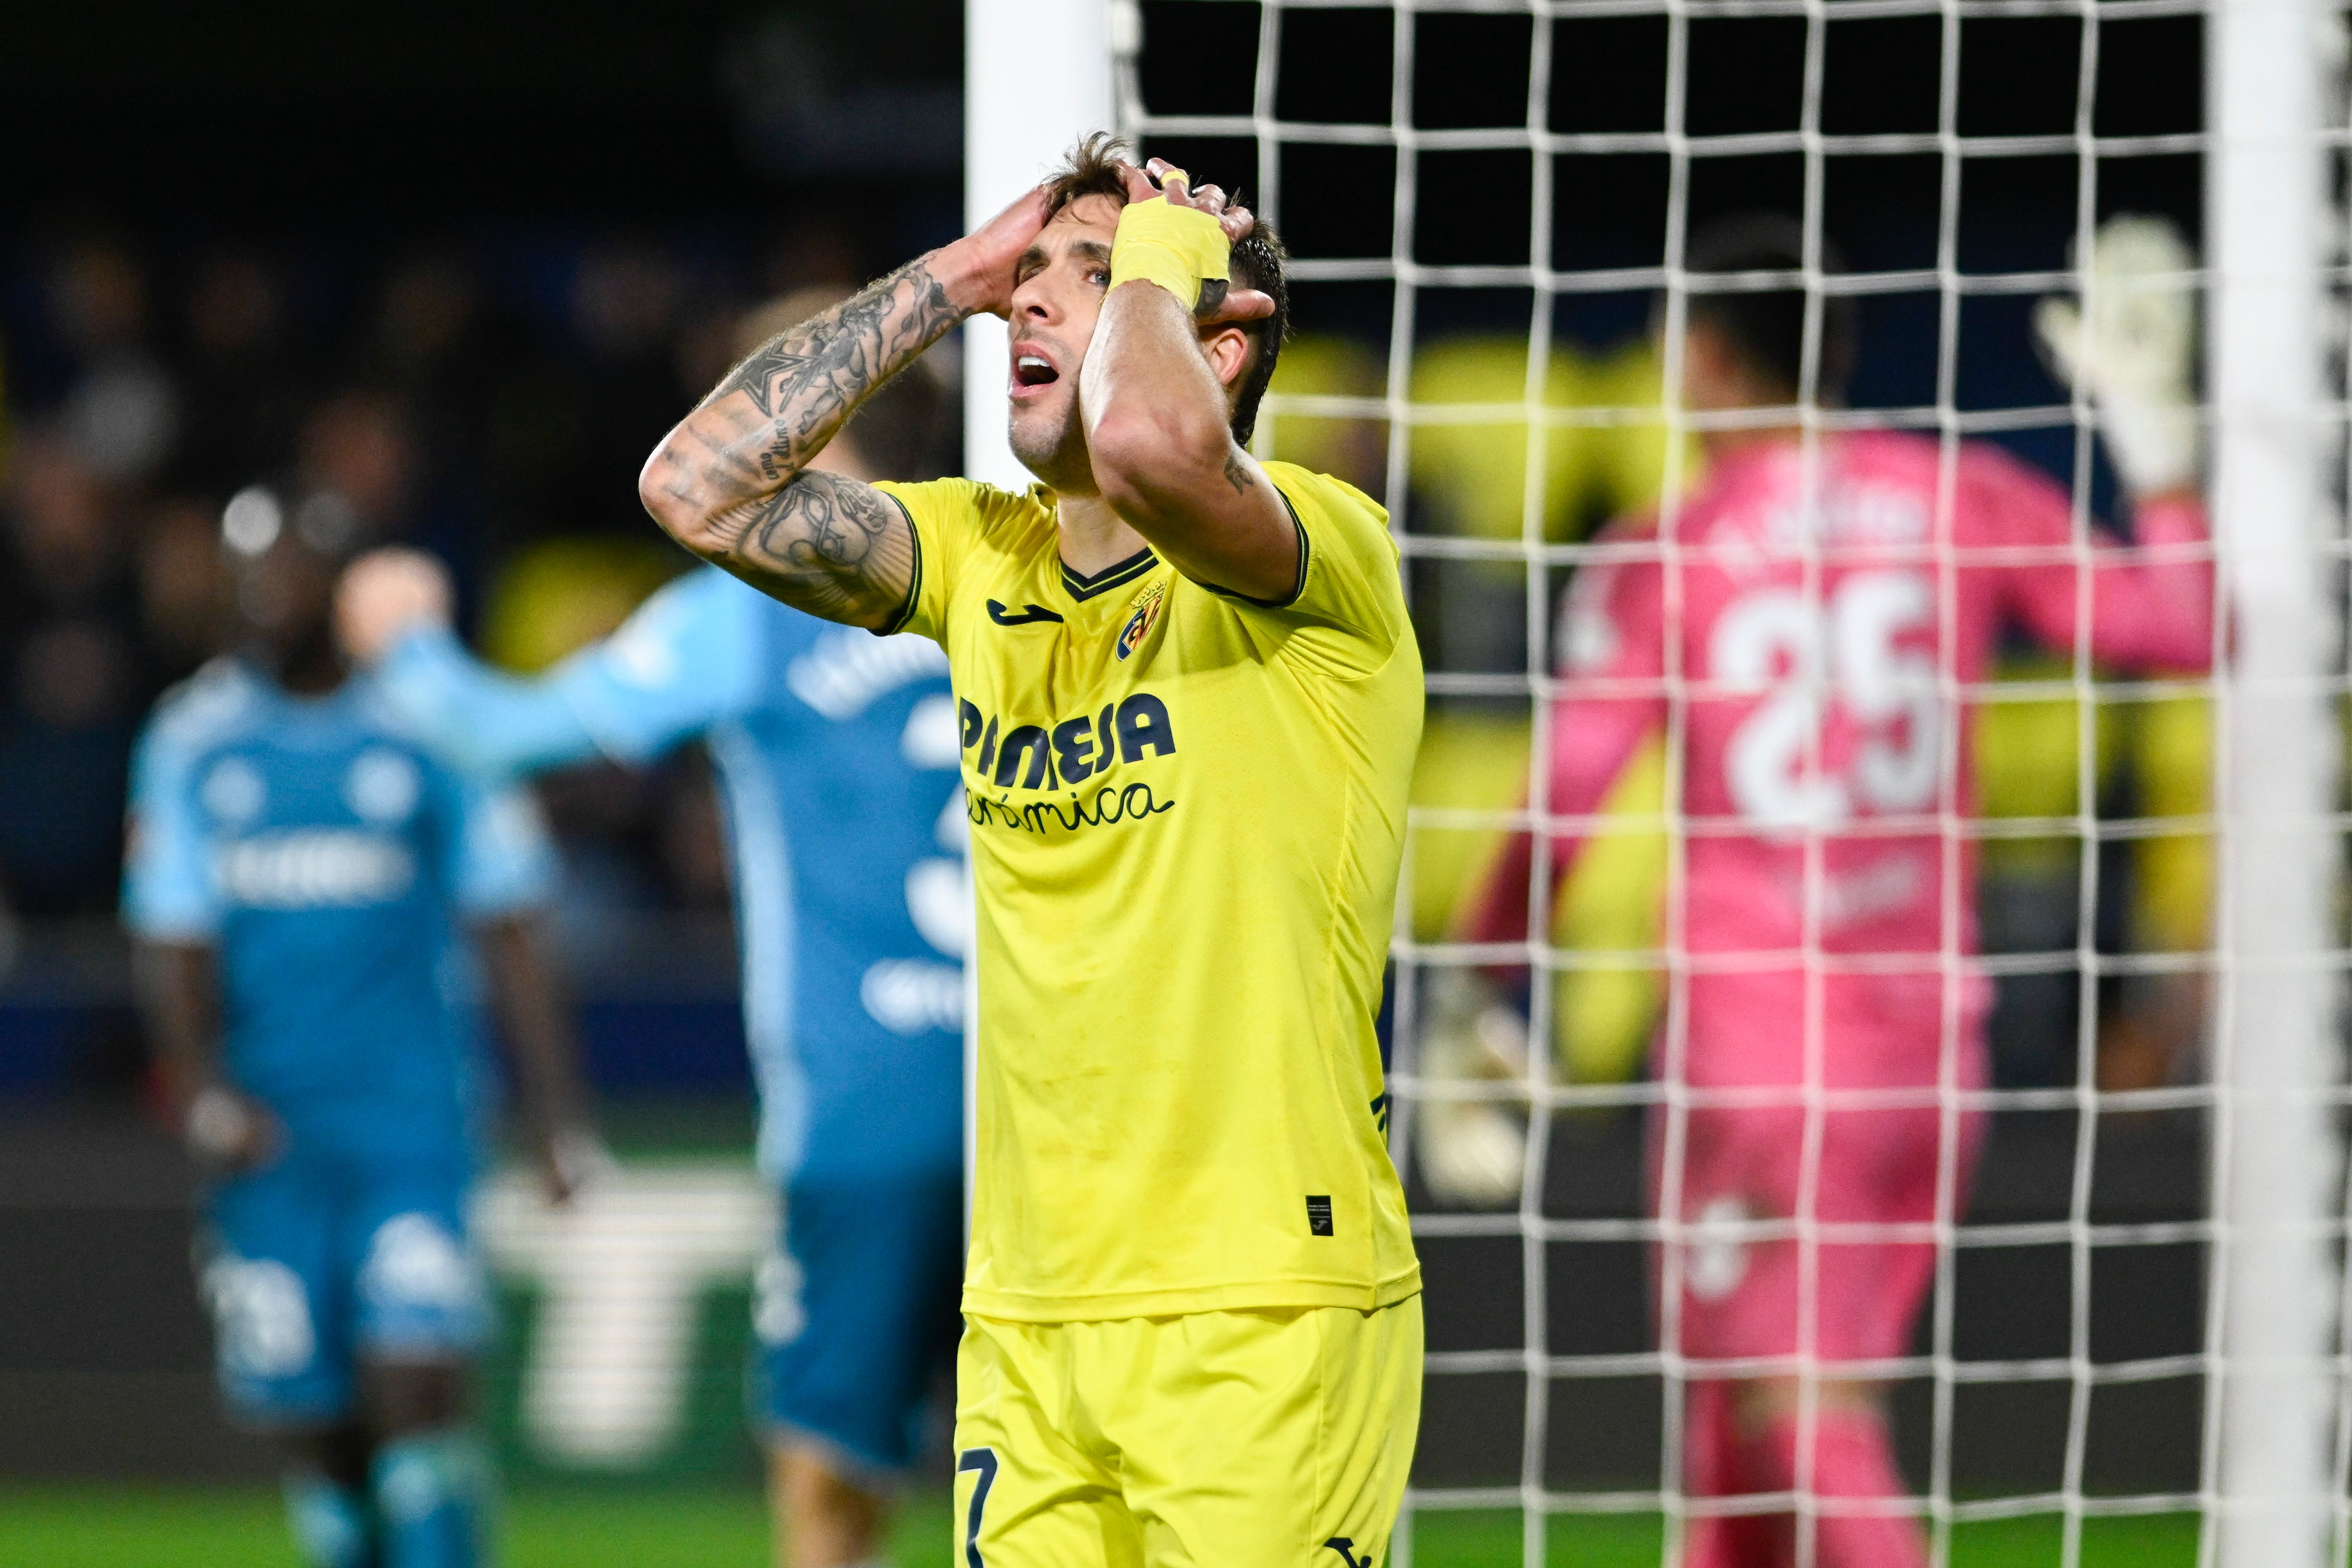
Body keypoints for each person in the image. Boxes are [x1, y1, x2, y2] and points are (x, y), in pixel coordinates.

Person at [637, 135, 1426, 1568]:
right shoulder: (978, 559)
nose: (1039, 308)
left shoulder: (1323, 556)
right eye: (1035, 281)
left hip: (1257, 1301)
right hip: (1029, 1313)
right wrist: (958, 273)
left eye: (1094, 279)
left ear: (1224, 343)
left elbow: (1151, 450)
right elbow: (699, 484)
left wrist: (1170, 261)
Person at [1441, 214, 2213, 1568]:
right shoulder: (1952, 497)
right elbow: (2181, 624)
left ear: (1706, 359)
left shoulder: (1673, 545)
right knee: (1735, 1452)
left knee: (1801, 1416)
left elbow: (1565, 795)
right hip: (1928, 1058)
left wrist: (1470, 981)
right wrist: (2158, 463)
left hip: (1757, 1064)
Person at [333, 305, 964, 1568]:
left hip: (867, 1108)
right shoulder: (1029, 567)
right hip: (1064, 1095)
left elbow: (500, 738)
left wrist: (402, 638)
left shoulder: (760, 610)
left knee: (831, 1497)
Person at [122, 480, 594, 1568]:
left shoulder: (425, 730)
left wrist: (556, 1115)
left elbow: (508, 919)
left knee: (417, 1388)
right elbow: (171, 932)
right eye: (248, 574)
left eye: (284, 571)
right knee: (316, 1421)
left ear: (334, 585)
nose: (263, 595)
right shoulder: (196, 737)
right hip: (271, 1130)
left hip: (410, 1120)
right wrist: (197, 1087)